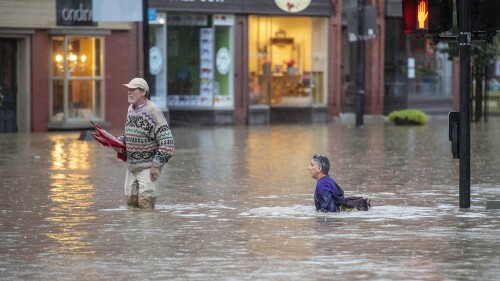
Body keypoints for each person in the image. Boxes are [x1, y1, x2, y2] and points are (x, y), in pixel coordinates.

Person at [118, 77, 174, 209]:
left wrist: (156, 165)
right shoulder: (130, 110)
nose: (129, 92)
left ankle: (148, 230)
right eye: (128, 89)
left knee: (145, 204)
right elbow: (133, 134)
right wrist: (120, 141)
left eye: (133, 89)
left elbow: (167, 142)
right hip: (132, 166)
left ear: (143, 92)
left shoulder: (153, 111)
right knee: (131, 203)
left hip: (148, 167)